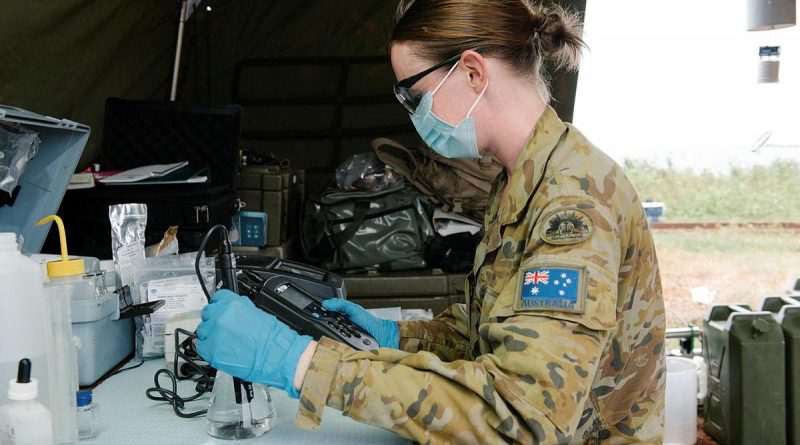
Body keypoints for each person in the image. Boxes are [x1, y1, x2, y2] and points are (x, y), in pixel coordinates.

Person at [196, 0, 666, 443]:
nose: (415, 115)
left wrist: (301, 364)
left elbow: (522, 418)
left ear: (472, 72)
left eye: (415, 95)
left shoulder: (572, 204)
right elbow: (494, 333)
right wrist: (393, 335)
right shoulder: (523, 179)